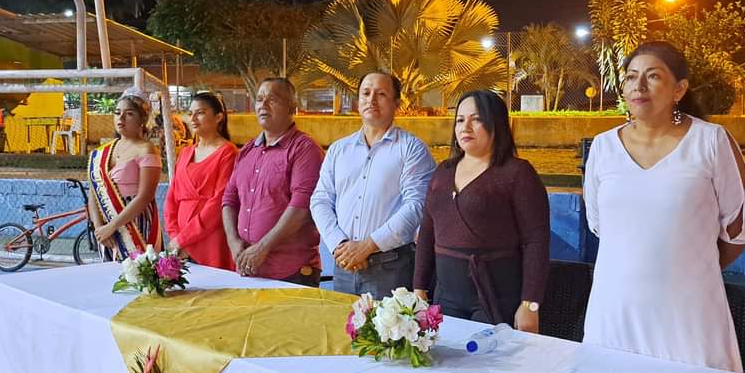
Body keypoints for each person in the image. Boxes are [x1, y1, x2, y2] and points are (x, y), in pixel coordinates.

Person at [582, 40, 745, 372]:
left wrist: (689, 269)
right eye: (631, 76)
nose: (639, 85)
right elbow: (603, 227)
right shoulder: (603, 148)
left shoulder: (711, 141)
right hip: (614, 314)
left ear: (679, 89)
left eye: (653, 76)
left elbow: (739, 229)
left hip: (688, 317)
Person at [413, 90, 550, 332]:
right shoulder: (443, 171)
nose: (465, 127)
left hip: (495, 297)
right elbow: (427, 232)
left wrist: (530, 304)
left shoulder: (517, 173)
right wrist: (419, 288)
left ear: (496, 124)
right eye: (460, 120)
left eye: (476, 119)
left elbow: (536, 240)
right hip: (446, 296)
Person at [310, 71, 435, 298]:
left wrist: (368, 246)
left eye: (381, 94)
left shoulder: (411, 149)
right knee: (342, 321)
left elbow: (416, 205)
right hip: (344, 265)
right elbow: (320, 200)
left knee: (391, 322)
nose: (371, 100)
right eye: (366, 93)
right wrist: (339, 245)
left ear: (397, 103)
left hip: (390, 267)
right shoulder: (339, 150)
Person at [222, 77, 324, 285]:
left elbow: (302, 207)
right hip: (248, 268)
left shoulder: (305, 149)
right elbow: (229, 200)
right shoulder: (247, 151)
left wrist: (262, 248)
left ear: (291, 107)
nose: (263, 105)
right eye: (260, 99)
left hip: (291, 271)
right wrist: (233, 242)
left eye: (272, 99)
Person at [164, 92, 238, 270]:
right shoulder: (185, 152)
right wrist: (175, 236)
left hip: (210, 238)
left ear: (219, 117)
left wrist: (183, 239)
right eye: (191, 113)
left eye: (200, 113)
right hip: (180, 242)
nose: (193, 119)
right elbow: (172, 198)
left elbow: (218, 203)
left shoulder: (228, 152)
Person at [87, 88, 163, 259]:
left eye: (129, 114)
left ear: (142, 119)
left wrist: (112, 226)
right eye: (117, 113)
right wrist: (99, 228)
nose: (120, 118)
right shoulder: (103, 151)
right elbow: (94, 192)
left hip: (135, 224)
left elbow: (145, 196)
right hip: (106, 226)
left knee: (138, 270)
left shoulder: (146, 150)